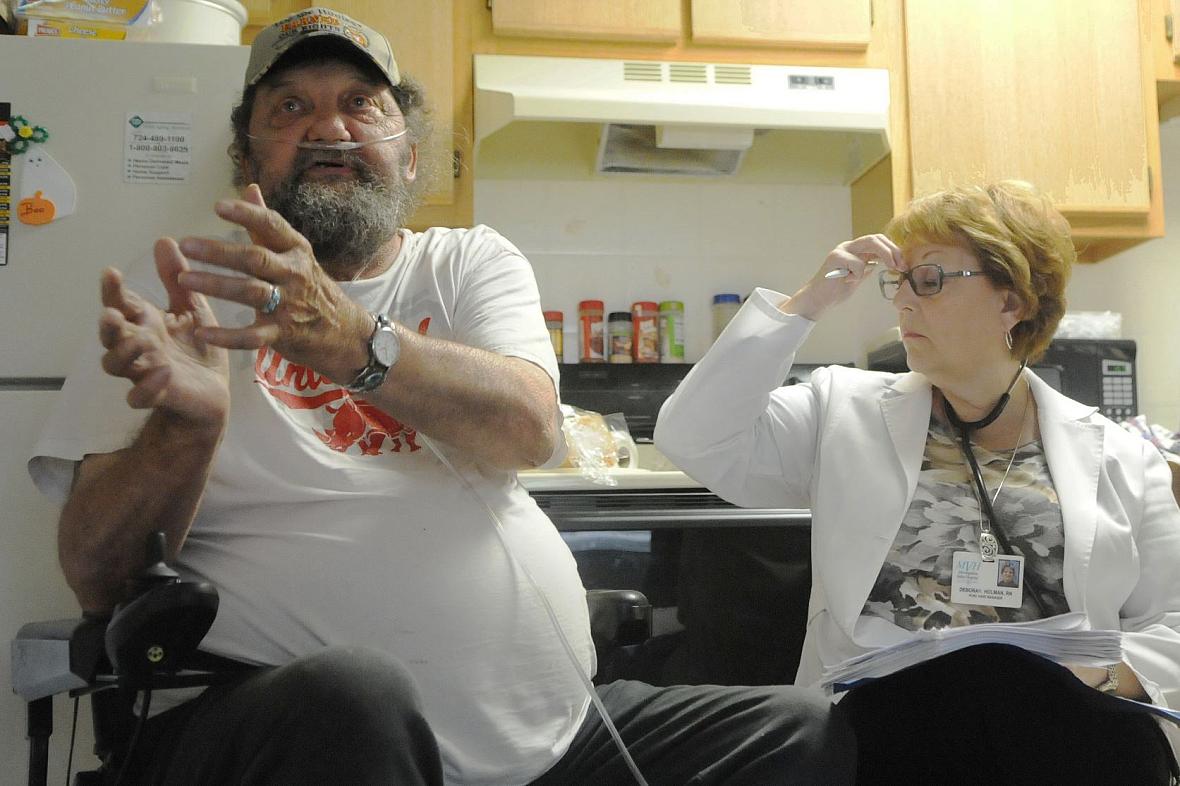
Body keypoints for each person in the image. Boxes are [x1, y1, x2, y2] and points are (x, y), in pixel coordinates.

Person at [27, 7, 855, 784]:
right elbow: (96, 575)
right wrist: (187, 429)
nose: (328, 126)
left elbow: (531, 430)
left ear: (410, 154)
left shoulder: (466, 262)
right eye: (289, 107)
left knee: (805, 729)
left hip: (560, 736)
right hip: (302, 726)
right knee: (358, 693)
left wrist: (350, 339)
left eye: (360, 103)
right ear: (247, 158)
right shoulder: (184, 284)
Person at [655, 181, 1180, 783]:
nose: (901, 302)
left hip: (1063, 736)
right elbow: (695, 437)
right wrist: (805, 306)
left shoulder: (1122, 456)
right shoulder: (841, 409)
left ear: (1011, 303)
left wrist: (1108, 677)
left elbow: (1172, 624)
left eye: (927, 281)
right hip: (887, 733)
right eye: (896, 281)